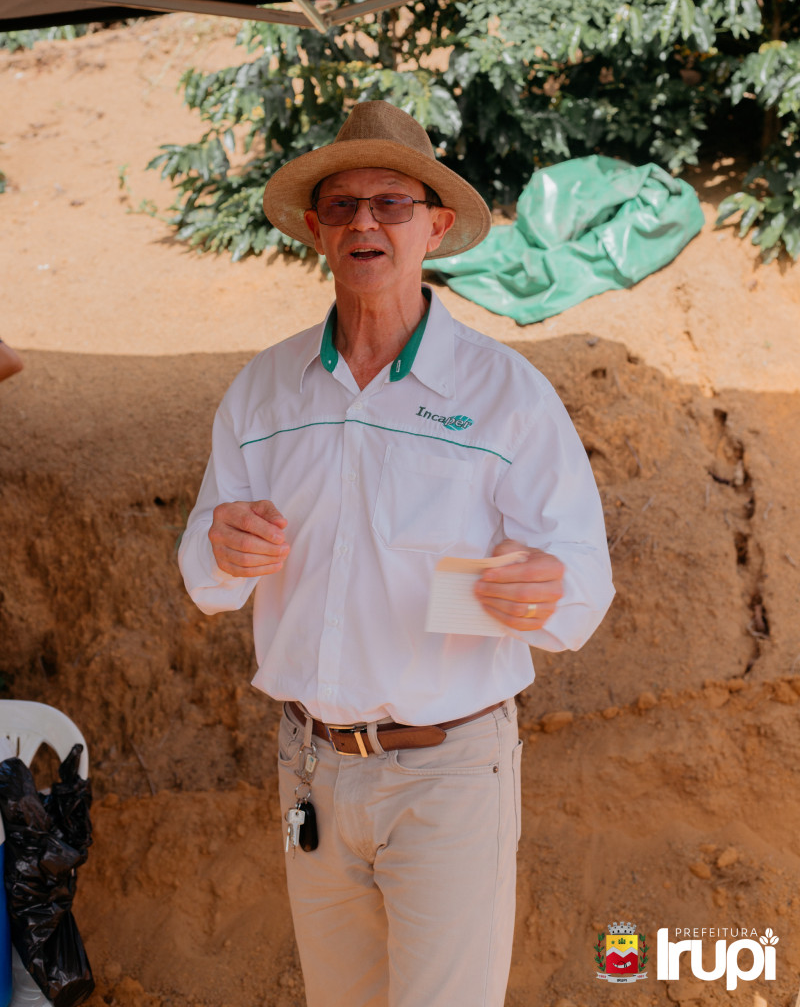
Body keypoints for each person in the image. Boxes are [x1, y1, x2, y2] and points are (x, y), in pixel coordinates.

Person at [178, 101, 614, 1007]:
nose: (364, 223)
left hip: (448, 773)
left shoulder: (507, 395)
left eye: (391, 204)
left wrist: (547, 587)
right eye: (341, 206)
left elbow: (580, 586)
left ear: (436, 227)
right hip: (310, 767)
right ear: (316, 229)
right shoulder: (264, 390)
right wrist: (222, 547)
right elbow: (207, 578)